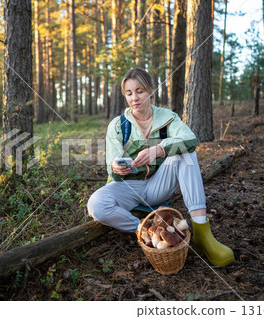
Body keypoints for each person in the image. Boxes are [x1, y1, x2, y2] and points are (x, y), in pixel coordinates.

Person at [87, 68, 234, 267]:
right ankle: (145, 230)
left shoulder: (167, 117)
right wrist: (116, 168)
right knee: (96, 204)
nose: (134, 98)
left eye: (139, 91)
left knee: (186, 153)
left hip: (157, 186)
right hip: (128, 188)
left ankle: (202, 234)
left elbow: (190, 140)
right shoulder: (119, 125)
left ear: (151, 91)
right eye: (129, 93)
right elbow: (111, 166)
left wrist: (157, 150)